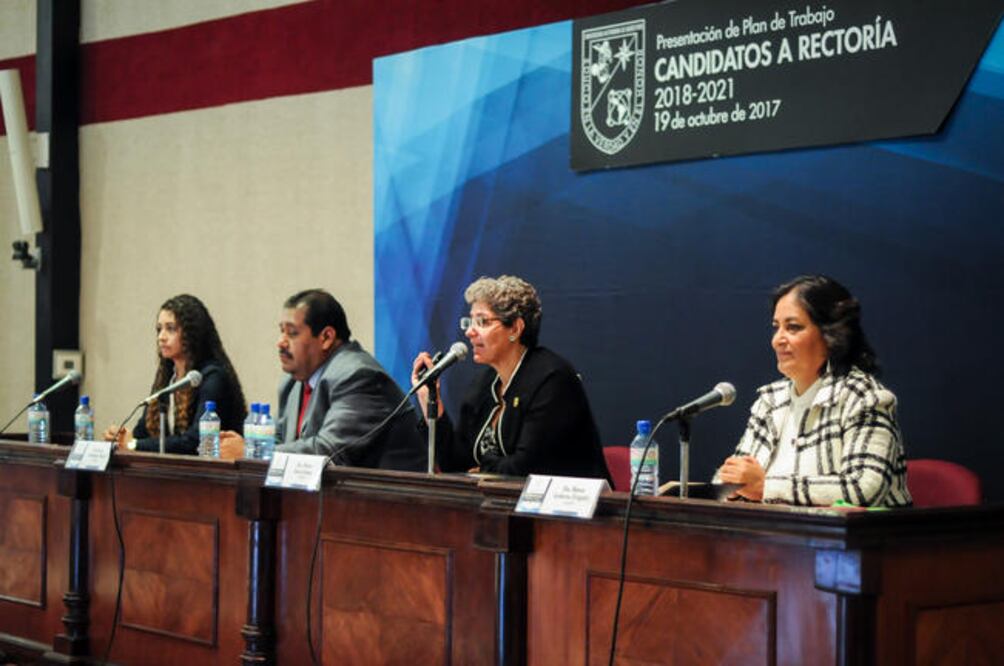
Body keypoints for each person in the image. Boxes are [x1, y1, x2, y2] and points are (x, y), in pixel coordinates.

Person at [717, 275, 912, 507]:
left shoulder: (864, 398)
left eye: (793, 327)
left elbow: (863, 488)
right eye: (776, 327)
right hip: (774, 537)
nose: (778, 340)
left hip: (855, 541)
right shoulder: (770, 401)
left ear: (831, 334)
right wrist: (729, 487)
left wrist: (765, 487)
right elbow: (729, 479)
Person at [412, 275, 610, 481]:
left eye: (482, 321)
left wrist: (481, 468)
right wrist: (429, 402)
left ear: (515, 328)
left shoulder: (552, 379)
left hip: (571, 507)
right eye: (469, 321)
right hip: (500, 506)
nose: (470, 332)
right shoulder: (483, 385)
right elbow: (456, 464)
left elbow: (525, 469)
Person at [218, 289, 426, 471]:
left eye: (292, 333)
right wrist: (242, 445)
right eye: (281, 331)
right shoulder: (293, 382)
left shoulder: (358, 376)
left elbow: (329, 453)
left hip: (391, 507)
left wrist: (250, 452)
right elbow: (283, 440)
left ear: (326, 337)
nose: (280, 342)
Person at [103, 294, 247, 454]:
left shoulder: (212, 377)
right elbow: (143, 432)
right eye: (159, 329)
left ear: (191, 334)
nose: (161, 337)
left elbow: (195, 442)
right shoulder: (167, 379)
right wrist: (122, 438)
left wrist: (134, 444)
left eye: (170, 329)